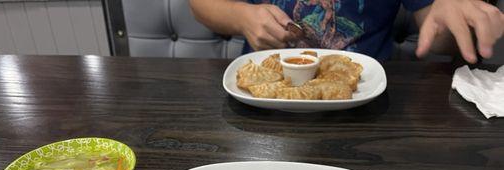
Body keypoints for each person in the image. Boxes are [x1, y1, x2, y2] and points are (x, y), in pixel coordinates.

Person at [189, 0, 504, 63]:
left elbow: (438, 37)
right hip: (261, 92)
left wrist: (452, 19)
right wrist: (242, 16)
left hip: (365, 102)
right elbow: (200, 5)